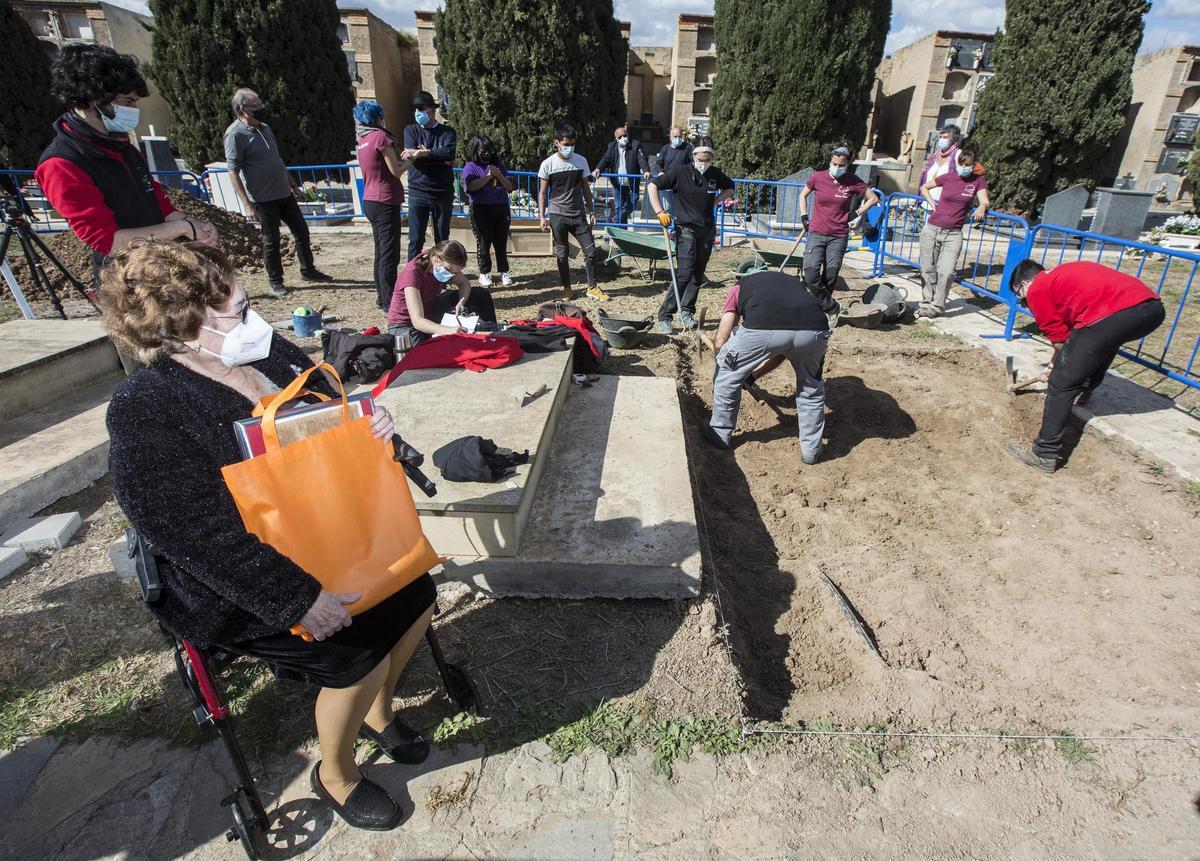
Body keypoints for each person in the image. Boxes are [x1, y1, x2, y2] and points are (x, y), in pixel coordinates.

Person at [102, 240, 434, 831]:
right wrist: (297, 598)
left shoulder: (266, 351)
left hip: (326, 531)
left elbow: (323, 414)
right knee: (356, 654)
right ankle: (337, 773)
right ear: (183, 330)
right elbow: (190, 533)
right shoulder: (145, 407)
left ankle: (378, 714)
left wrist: (369, 422)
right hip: (242, 578)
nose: (256, 322)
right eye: (239, 312)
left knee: (416, 595)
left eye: (248, 304)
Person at [35, 44, 218, 286]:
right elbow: (108, 242)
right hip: (126, 279)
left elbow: (157, 201)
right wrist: (180, 227)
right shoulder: (61, 164)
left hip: (157, 263)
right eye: (127, 101)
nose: (133, 110)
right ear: (93, 99)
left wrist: (194, 225)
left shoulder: (122, 146)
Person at [1006, 260, 1165, 473]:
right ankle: (1084, 392)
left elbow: (1060, 341)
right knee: (1102, 343)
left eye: (1020, 296)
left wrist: (1056, 369)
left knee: (1061, 383)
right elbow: (1075, 340)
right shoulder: (1061, 275)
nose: (1024, 302)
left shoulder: (1038, 288)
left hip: (1113, 314)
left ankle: (1044, 453)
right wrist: (1057, 362)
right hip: (1151, 310)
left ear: (1025, 283)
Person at [702, 270, 832, 464]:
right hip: (815, 330)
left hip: (763, 326)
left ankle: (720, 432)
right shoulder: (794, 285)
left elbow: (721, 339)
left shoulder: (739, 287)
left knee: (727, 373)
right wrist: (752, 376)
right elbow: (783, 349)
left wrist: (725, 362)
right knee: (811, 388)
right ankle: (811, 450)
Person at [224, 88, 331, 298]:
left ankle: (308, 270)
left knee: (301, 231)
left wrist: (294, 186)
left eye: (260, 104)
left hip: (284, 193)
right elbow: (233, 171)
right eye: (255, 106)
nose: (260, 108)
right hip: (263, 198)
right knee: (271, 240)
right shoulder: (235, 134)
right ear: (242, 109)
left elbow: (278, 161)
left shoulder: (265, 128)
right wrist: (247, 204)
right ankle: (276, 281)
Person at [647, 136, 735, 332]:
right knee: (684, 273)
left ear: (712, 158)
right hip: (685, 228)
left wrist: (716, 201)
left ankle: (686, 311)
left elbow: (730, 187)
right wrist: (660, 212)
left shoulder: (714, 174)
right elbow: (653, 185)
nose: (703, 163)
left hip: (707, 230)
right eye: (700, 159)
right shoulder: (680, 172)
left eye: (707, 160)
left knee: (697, 273)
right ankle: (665, 316)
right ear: (693, 156)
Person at [798, 141, 881, 325]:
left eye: (841, 165)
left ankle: (822, 312)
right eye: (834, 163)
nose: (836, 167)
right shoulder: (818, 178)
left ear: (848, 164)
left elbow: (873, 198)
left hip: (838, 235)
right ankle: (832, 307)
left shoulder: (853, 181)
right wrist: (804, 217)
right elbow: (803, 194)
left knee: (831, 274)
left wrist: (857, 212)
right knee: (810, 273)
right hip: (817, 232)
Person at [916, 140, 989, 318]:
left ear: (973, 165)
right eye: (961, 164)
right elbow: (924, 187)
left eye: (967, 165)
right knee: (927, 268)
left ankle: (937, 306)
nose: (963, 168)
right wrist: (932, 203)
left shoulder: (977, 181)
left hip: (953, 233)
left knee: (947, 272)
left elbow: (985, 200)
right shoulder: (948, 177)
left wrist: (982, 206)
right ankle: (926, 302)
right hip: (932, 228)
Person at [354, 100, 411, 310]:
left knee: (380, 251)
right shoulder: (380, 137)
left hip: (370, 200)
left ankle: (382, 296)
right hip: (385, 200)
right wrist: (414, 158)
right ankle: (389, 301)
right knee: (389, 253)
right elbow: (396, 170)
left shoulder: (363, 140)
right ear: (377, 117)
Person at [538, 125, 605, 301]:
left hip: (578, 215)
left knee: (590, 251)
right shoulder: (548, 164)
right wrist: (542, 217)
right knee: (562, 254)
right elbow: (543, 193)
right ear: (557, 143)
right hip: (557, 215)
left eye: (573, 144)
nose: (570, 147)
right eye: (566, 144)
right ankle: (567, 288)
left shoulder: (581, 161)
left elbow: (585, 189)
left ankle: (592, 287)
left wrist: (591, 211)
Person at [386, 239, 496, 346]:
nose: (451, 275)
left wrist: (461, 302)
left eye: (455, 272)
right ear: (435, 259)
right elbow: (417, 321)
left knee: (480, 294)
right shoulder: (412, 274)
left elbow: (464, 284)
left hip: (431, 308)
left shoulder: (438, 258)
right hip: (405, 324)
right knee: (425, 353)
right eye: (448, 270)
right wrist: (448, 330)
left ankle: (493, 335)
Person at [402, 91, 457, 262]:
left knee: (442, 240)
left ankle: (441, 272)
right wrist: (438, 157)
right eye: (415, 108)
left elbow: (449, 153)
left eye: (421, 108)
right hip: (418, 192)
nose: (418, 112)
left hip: (442, 193)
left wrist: (424, 153)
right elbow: (412, 157)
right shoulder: (411, 130)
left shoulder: (447, 132)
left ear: (432, 109)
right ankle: (412, 273)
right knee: (415, 239)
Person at [462, 134, 514, 288]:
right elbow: (471, 187)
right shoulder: (470, 166)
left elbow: (509, 187)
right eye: (483, 150)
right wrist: (489, 176)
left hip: (501, 208)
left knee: (501, 241)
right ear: (476, 150)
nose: (487, 153)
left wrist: (498, 175)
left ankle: (504, 271)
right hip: (480, 209)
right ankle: (484, 273)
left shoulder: (499, 165)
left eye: (489, 149)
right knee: (484, 242)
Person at [592, 125, 651, 225]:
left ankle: (614, 219)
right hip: (617, 184)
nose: (623, 138)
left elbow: (641, 159)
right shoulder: (612, 147)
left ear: (628, 135)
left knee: (631, 206)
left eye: (625, 135)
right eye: (620, 137)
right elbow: (605, 159)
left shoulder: (635, 145)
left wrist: (646, 170)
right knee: (619, 207)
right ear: (616, 139)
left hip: (632, 183)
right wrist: (598, 168)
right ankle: (621, 230)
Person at [918, 124, 961, 205]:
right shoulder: (936, 154)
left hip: (944, 205)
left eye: (945, 137)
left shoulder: (958, 154)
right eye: (940, 137)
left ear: (953, 139)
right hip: (926, 203)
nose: (941, 140)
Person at [656, 127, 693, 216]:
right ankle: (670, 225)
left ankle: (678, 224)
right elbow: (658, 163)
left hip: (683, 183)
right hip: (668, 182)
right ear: (670, 137)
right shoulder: (665, 149)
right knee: (668, 208)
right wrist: (660, 172)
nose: (678, 139)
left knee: (681, 208)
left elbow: (693, 162)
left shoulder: (687, 147)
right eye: (675, 136)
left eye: (679, 136)